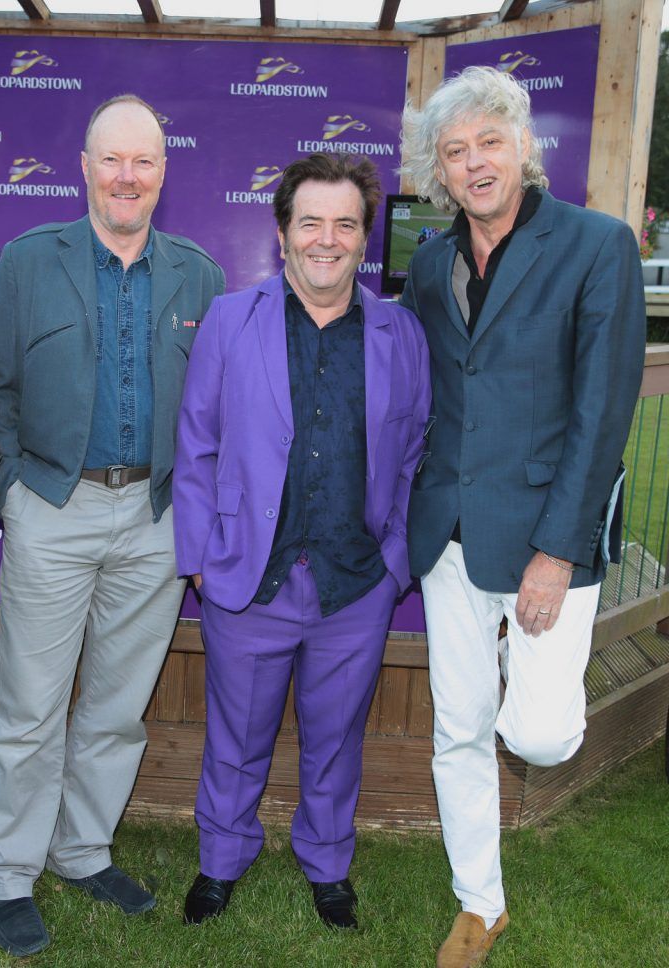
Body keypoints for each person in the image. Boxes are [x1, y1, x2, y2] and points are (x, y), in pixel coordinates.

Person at [398, 66, 646, 968]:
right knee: (456, 728)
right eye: (455, 152)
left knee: (538, 733)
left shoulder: (597, 245)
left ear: (523, 147)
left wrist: (556, 550)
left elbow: (603, 412)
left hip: (545, 540)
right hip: (450, 539)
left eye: (488, 143)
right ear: (440, 171)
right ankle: (480, 902)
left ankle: (526, 674)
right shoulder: (431, 262)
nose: (474, 163)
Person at [0, 94, 224, 956]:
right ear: (84, 167)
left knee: (117, 709)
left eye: (143, 161)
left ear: (163, 172)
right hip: (53, 504)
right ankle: (8, 869)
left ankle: (81, 851)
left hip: (154, 517)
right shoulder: (27, 261)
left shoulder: (198, 273)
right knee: (30, 706)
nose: (127, 176)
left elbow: (214, 415)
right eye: (111, 160)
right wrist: (13, 488)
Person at [173, 153, 431, 929]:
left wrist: (394, 566)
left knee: (335, 739)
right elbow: (197, 446)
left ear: (364, 239)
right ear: (282, 232)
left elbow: (416, 451)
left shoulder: (400, 332)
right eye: (310, 222)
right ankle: (221, 860)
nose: (328, 239)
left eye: (345, 225)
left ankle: (328, 864)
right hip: (248, 581)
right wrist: (201, 566)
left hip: (356, 584)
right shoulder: (229, 320)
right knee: (235, 739)